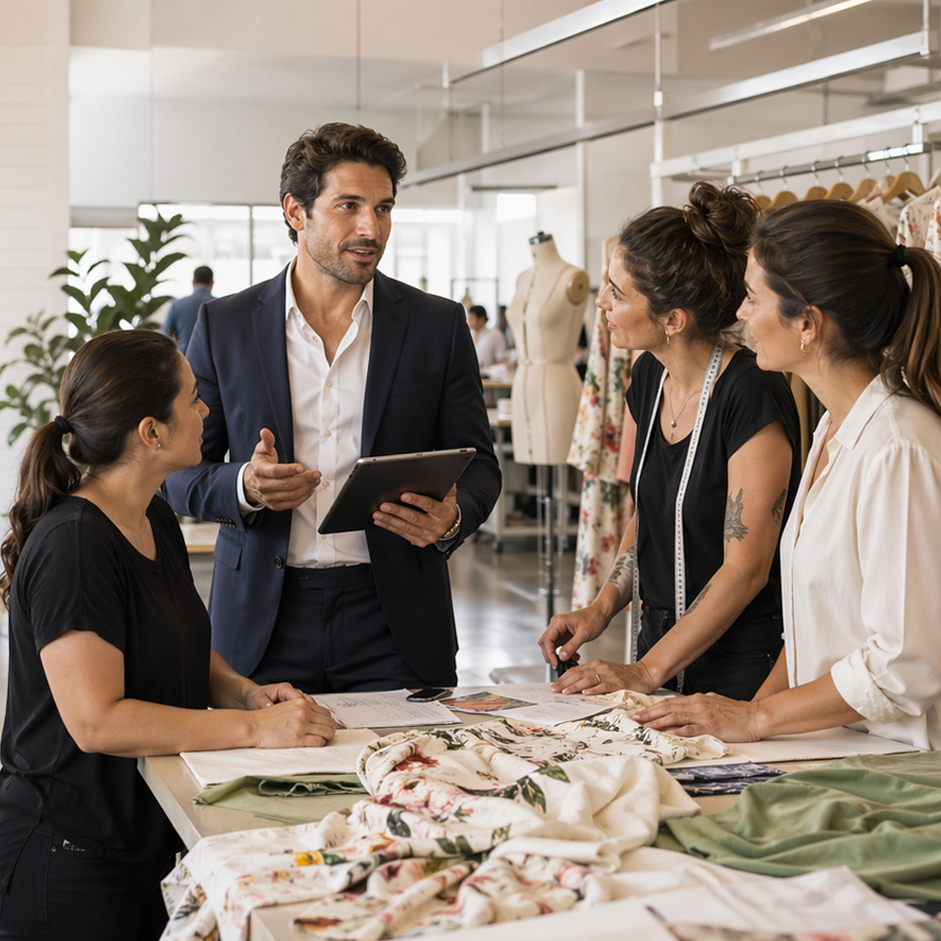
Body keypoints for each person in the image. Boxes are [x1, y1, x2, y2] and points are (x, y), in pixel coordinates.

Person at [0, 330, 337, 941]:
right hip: (69, 858)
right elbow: (97, 721)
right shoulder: (75, 543)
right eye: (192, 399)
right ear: (151, 432)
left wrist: (243, 693)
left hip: (143, 843)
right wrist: (255, 732)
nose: (205, 410)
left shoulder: (151, 513)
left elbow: (170, 639)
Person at [163, 123, 501, 694]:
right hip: (261, 625)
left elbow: (481, 467)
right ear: (297, 212)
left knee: (410, 782)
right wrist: (244, 485)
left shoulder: (435, 326)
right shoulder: (225, 326)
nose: (372, 227)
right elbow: (175, 473)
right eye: (349, 206)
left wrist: (455, 515)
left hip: (395, 622)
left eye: (384, 208)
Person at [635, 200, 941, 750]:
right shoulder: (832, 429)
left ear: (808, 323)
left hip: (900, 767)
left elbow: (904, 665)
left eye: (753, 297)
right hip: (834, 746)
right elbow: (816, 636)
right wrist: (746, 713)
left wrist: (756, 720)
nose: (741, 312)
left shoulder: (897, 448)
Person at [539, 182, 801, 701]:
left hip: (737, 673)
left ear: (673, 320)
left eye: (618, 292)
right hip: (657, 652)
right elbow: (652, 516)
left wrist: (646, 673)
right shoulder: (648, 380)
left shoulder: (751, 393)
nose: (603, 303)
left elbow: (746, 570)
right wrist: (602, 606)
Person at [159, 265, 214, 353]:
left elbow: (165, 334)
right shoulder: (219, 306)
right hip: (212, 360)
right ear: (212, 284)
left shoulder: (177, 305)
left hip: (185, 358)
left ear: (193, 283)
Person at [466, 304, 506, 368]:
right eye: (468, 319)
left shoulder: (494, 335)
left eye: (471, 319)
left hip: (489, 374)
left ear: (481, 319)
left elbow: (501, 360)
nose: (468, 322)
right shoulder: (468, 335)